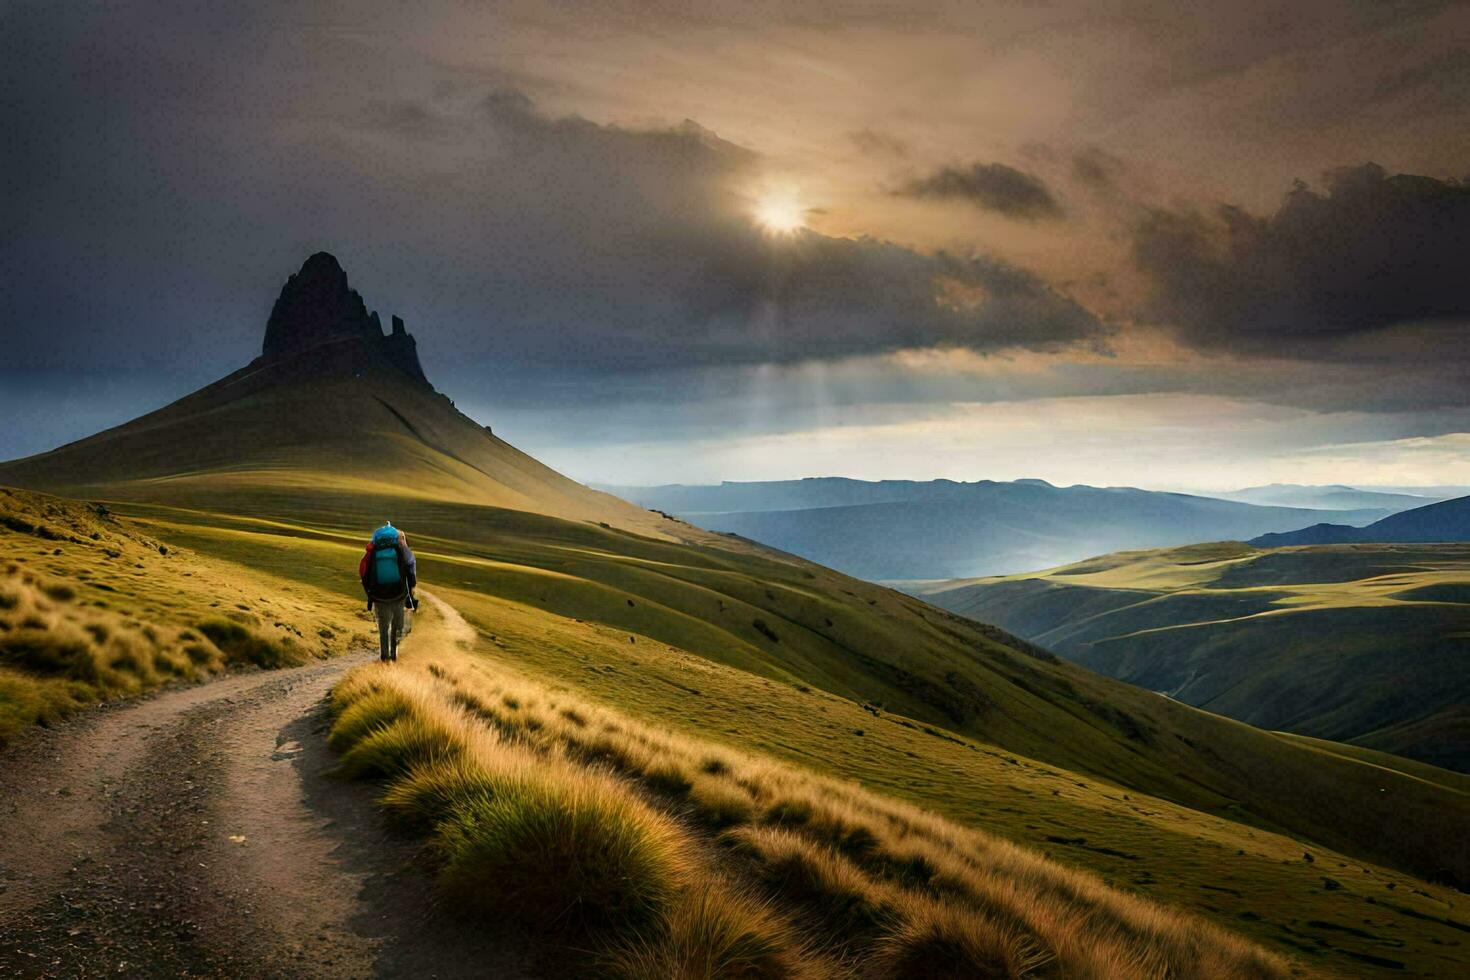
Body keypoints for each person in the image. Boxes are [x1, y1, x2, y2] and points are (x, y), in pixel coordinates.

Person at [359, 521, 418, 662]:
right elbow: (410, 565)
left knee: (383, 628)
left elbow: (363, 571)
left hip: (379, 596)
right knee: (397, 627)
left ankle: (384, 658)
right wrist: (411, 588)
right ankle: (394, 656)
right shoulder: (401, 549)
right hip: (398, 594)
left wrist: (370, 594)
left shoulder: (373, 551)